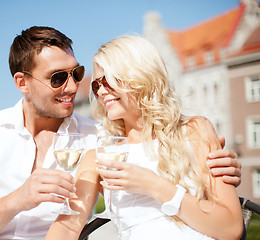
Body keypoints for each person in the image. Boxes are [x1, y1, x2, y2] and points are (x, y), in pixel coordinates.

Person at [0, 26, 241, 239]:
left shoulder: (105, 139)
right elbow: (68, 224)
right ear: (22, 83)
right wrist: (20, 198)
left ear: (142, 78)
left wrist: (209, 163)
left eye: (78, 75)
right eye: (59, 78)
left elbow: (229, 225)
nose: (78, 88)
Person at [46, 35, 243, 240]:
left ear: (141, 77)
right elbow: (67, 228)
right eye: (97, 86)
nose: (102, 91)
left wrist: (153, 185)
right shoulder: (100, 156)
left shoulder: (195, 131)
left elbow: (231, 228)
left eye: (109, 81)